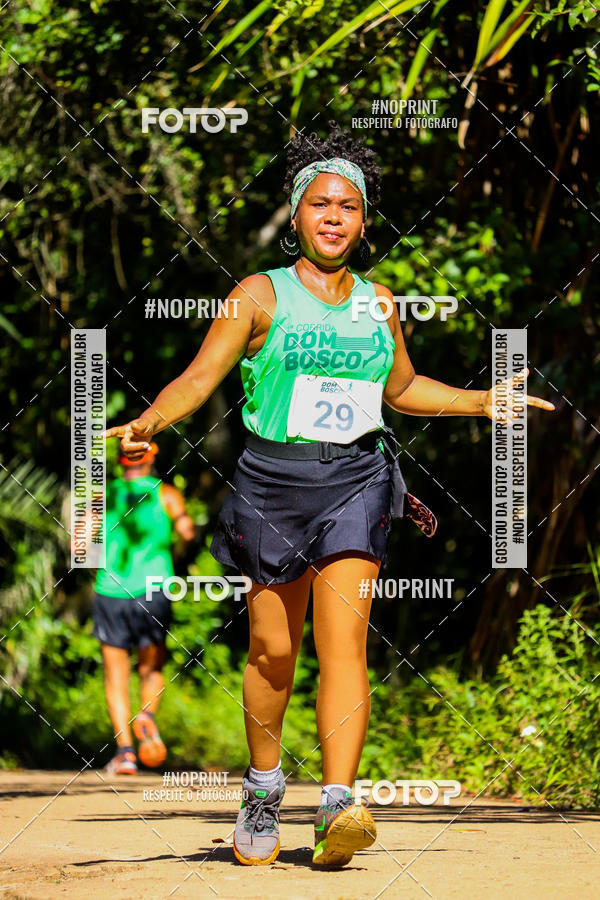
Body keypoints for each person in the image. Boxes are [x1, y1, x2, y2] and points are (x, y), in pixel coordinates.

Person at [105, 123, 553, 863]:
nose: (334, 217)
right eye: (320, 204)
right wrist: (150, 419)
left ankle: (340, 805)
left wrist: (480, 402)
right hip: (272, 485)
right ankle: (263, 788)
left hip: (357, 480)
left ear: (365, 220)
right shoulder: (257, 294)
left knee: (345, 642)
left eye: (348, 206)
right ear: (297, 215)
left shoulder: (380, 302)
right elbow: (197, 377)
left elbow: (401, 388)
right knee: (272, 652)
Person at [92, 442, 195, 776]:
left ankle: (125, 753)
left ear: (121, 463)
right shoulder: (166, 495)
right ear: (151, 459)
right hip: (155, 587)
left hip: (110, 589)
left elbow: (78, 544)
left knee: (115, 676)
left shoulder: (103, 495)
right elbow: (186, 531)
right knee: (150, 668)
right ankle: (147, 717)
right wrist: (173, 554)